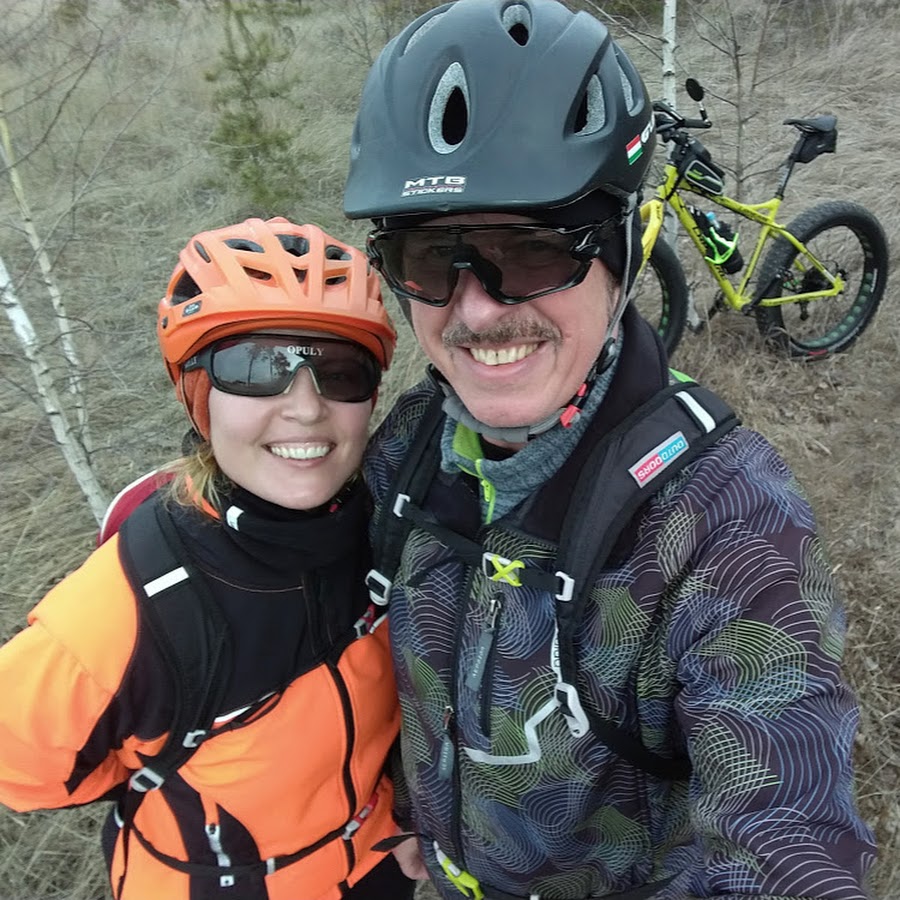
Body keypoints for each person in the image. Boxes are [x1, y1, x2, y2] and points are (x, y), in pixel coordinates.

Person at [342, 1, 877, 898]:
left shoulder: (727, 524)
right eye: (431, 258)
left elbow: (788, 844)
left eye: (531, 251)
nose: (476, 309)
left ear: (623, 256)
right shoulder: (410, 447)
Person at [0, 217, 416, 900]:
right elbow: (20, 766)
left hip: (377, 868)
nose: (306, 409)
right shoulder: (123, 609)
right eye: (257, 369)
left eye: (340, 372)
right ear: (199, 393)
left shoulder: (396, 534)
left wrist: (410, 816)